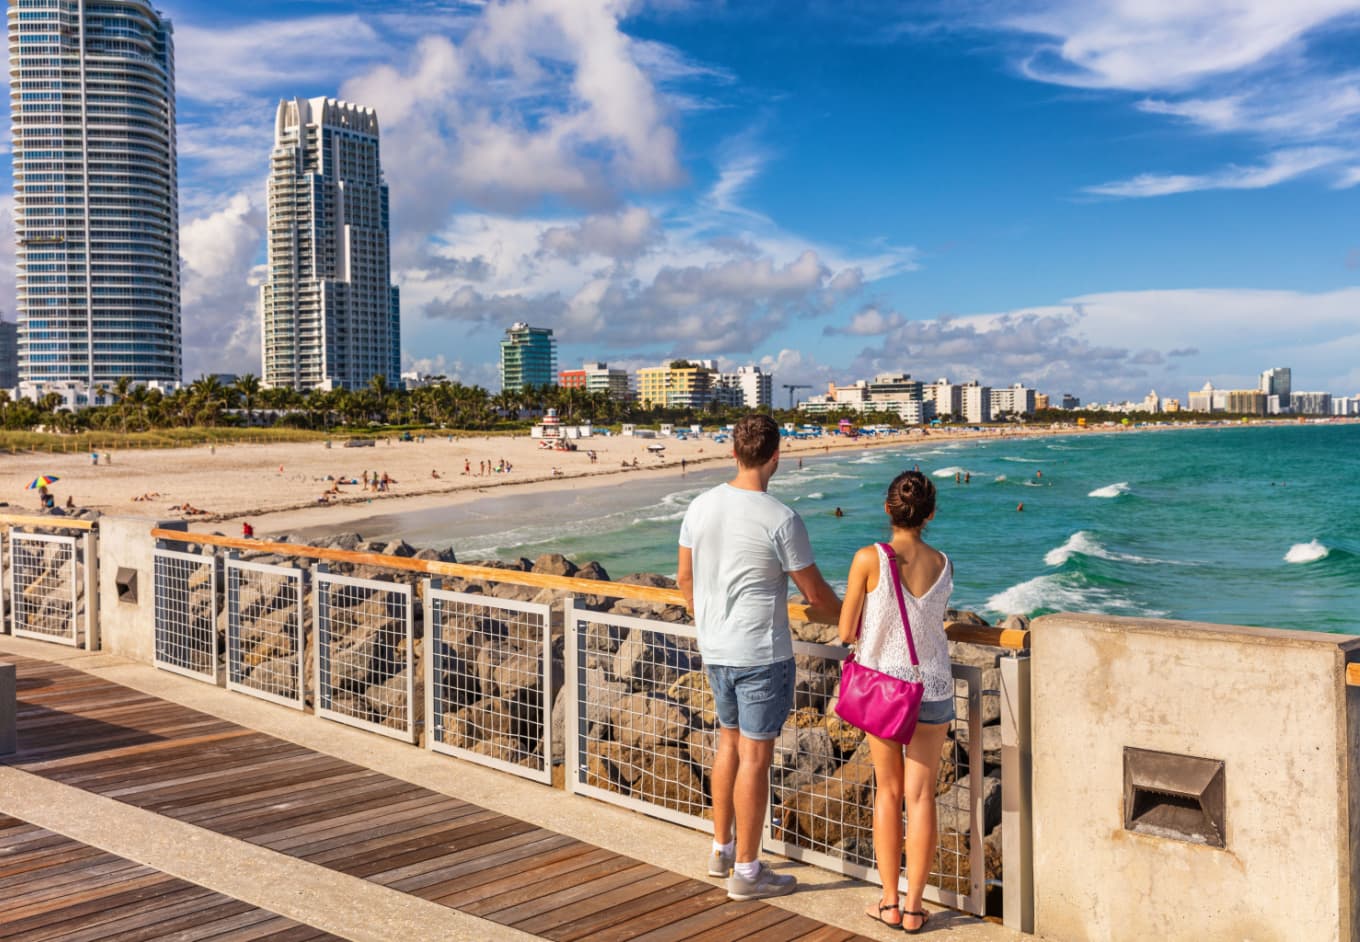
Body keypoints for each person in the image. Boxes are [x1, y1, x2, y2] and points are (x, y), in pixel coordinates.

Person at [677, 414, 841, 901]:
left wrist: (705, 617)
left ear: (733, 453)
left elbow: (684, 577)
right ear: (776, 456)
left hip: (716, 649)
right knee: (755, 758)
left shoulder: (700, 506)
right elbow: (815, 596)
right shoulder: (780, 518)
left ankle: (722, 848)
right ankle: (747, 872)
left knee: (727, 746)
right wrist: (857, 618)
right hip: (760, 655)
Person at [837, 470, 954, 933]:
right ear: (929, 515)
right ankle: (915, 908)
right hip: (935, 688)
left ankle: (888, 901)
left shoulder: (870, 558)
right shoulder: (945, 562)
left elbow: (847, 631)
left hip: (887, 690)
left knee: (888, 792)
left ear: (888, 509)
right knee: (922, 797)